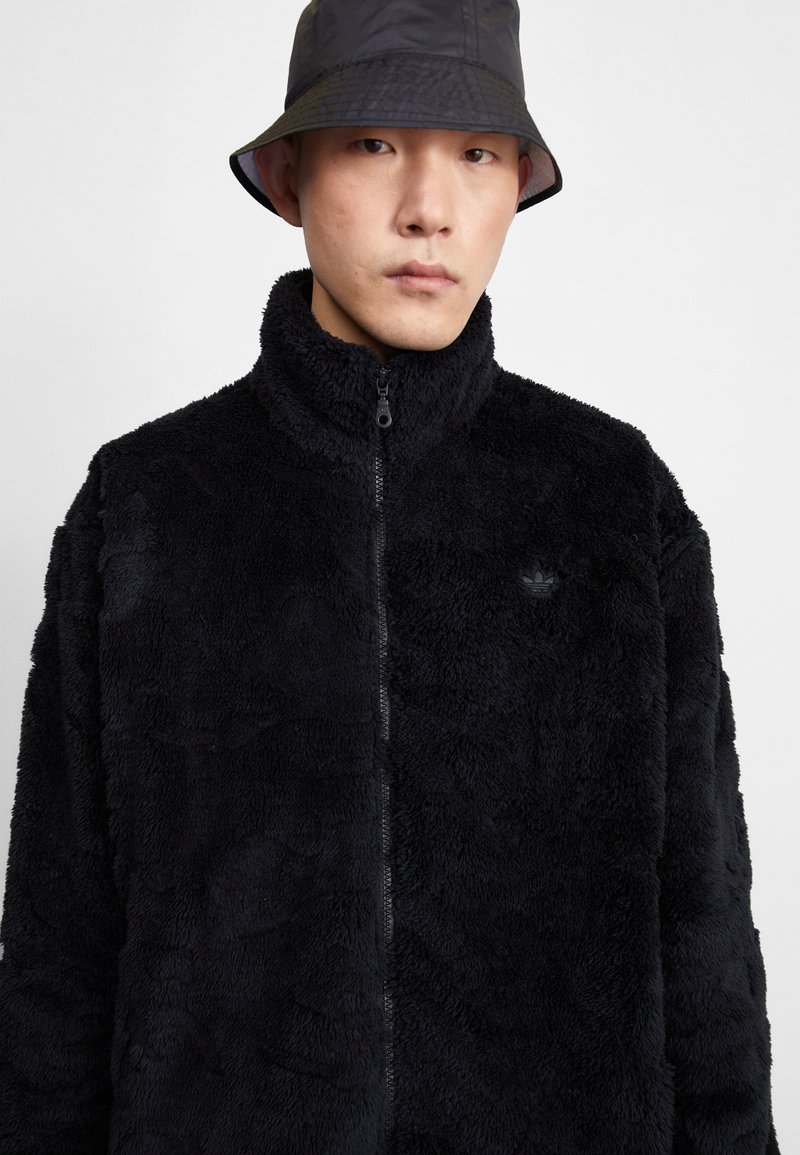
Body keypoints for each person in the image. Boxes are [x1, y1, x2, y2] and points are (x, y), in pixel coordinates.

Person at [0, 0, 781, 1151]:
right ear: (289, 179)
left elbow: (703, 927)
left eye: (475, 154)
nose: (429, 207)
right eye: (372, 143)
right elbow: (58, 941)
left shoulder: (612, 500)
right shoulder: (145, 505)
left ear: (516, 185)